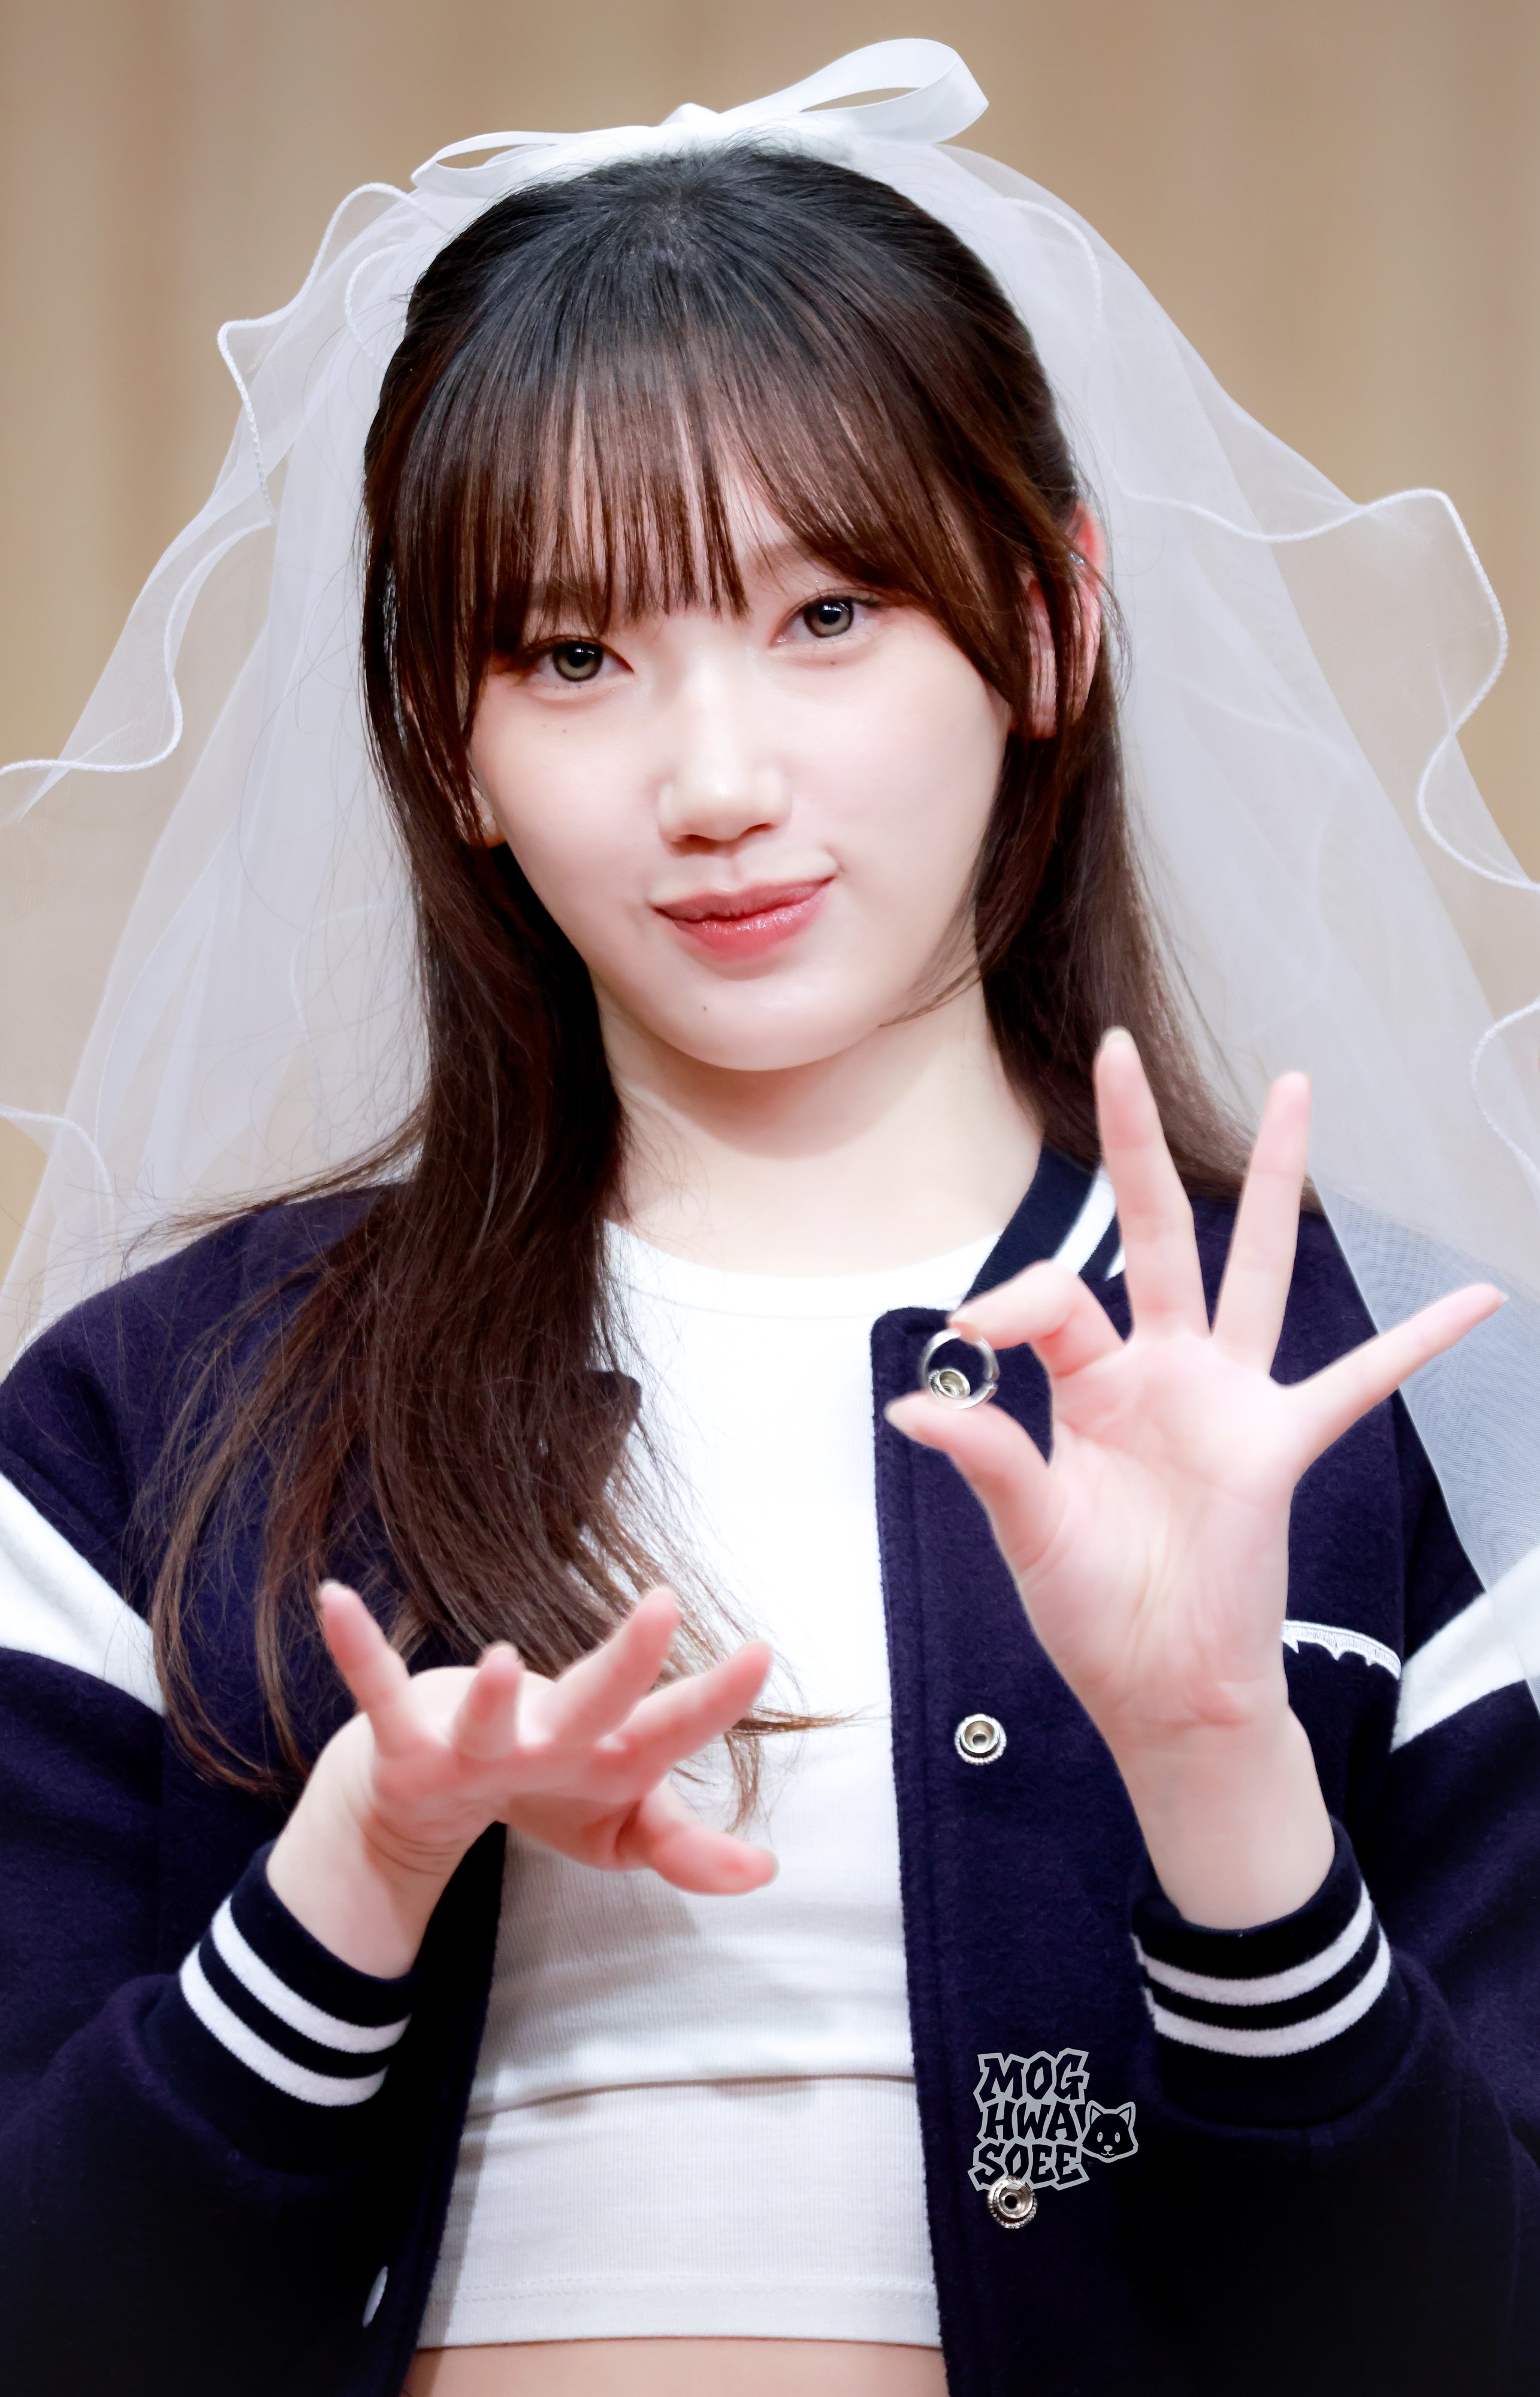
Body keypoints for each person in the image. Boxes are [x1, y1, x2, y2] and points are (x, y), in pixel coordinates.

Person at [0, 40, 1536, 2397]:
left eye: (829, 616)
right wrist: (364, 1858)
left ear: (1048, 621)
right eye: (572, 656)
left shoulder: (1374, 1383)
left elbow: (1461, 2335)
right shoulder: (152, 1412)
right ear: (446, 743)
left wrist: (1223, 1766)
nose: (714, 783)